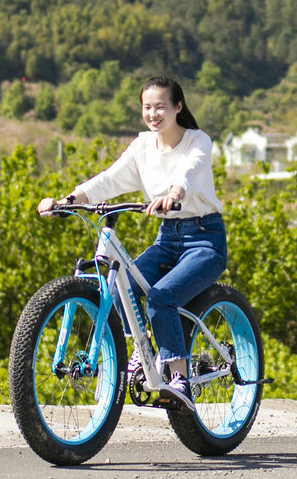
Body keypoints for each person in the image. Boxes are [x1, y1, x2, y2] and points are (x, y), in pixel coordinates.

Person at [38, 76, 225, 405]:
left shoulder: (198, 141)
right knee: (117, 286)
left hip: (204, 240)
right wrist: (67, 200)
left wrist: (173, 193)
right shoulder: (142, 146)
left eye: (161, 107)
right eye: (147, 107)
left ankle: (179, 378)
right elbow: (109, 179)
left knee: (160, 298)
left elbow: (189, 174)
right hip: (167, 239)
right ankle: (137, 354)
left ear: (178, 107)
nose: (153, 114)